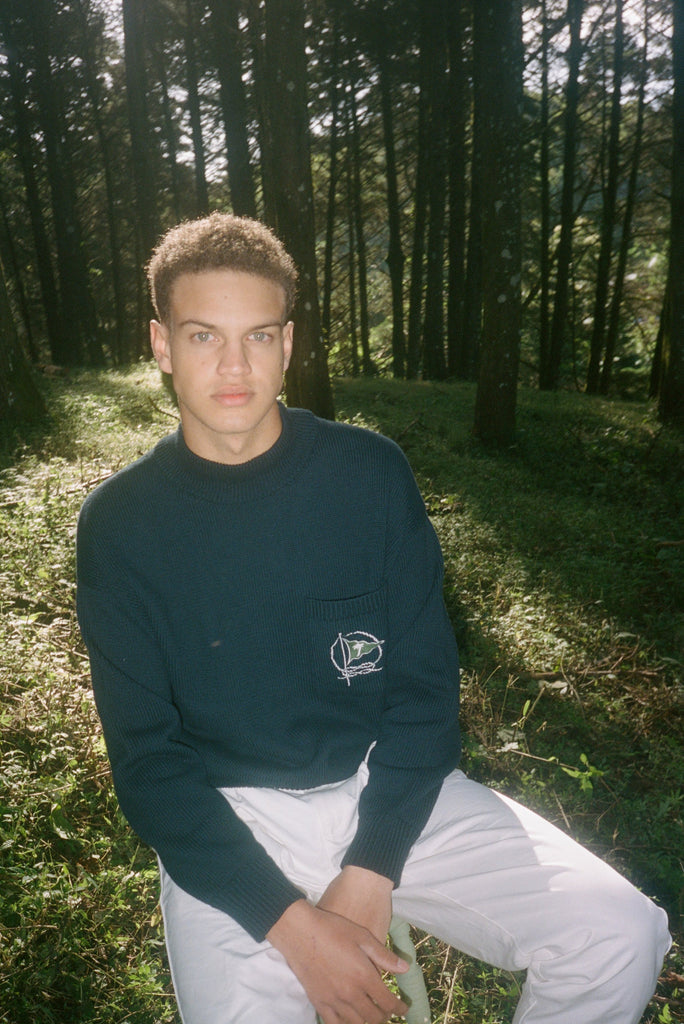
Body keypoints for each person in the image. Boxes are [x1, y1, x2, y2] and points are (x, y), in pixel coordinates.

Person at [77, 211, 670, 1024]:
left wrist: (370, 867)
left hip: (386, 783)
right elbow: (148, 765)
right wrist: (294, 928)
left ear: (288, 344)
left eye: (258, 337)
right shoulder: (121, 524)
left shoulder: (368, 475)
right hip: (230, 814)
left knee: (619, 934)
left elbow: (423, 693)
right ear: (160, 344)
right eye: (204, 336)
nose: (234, 367)